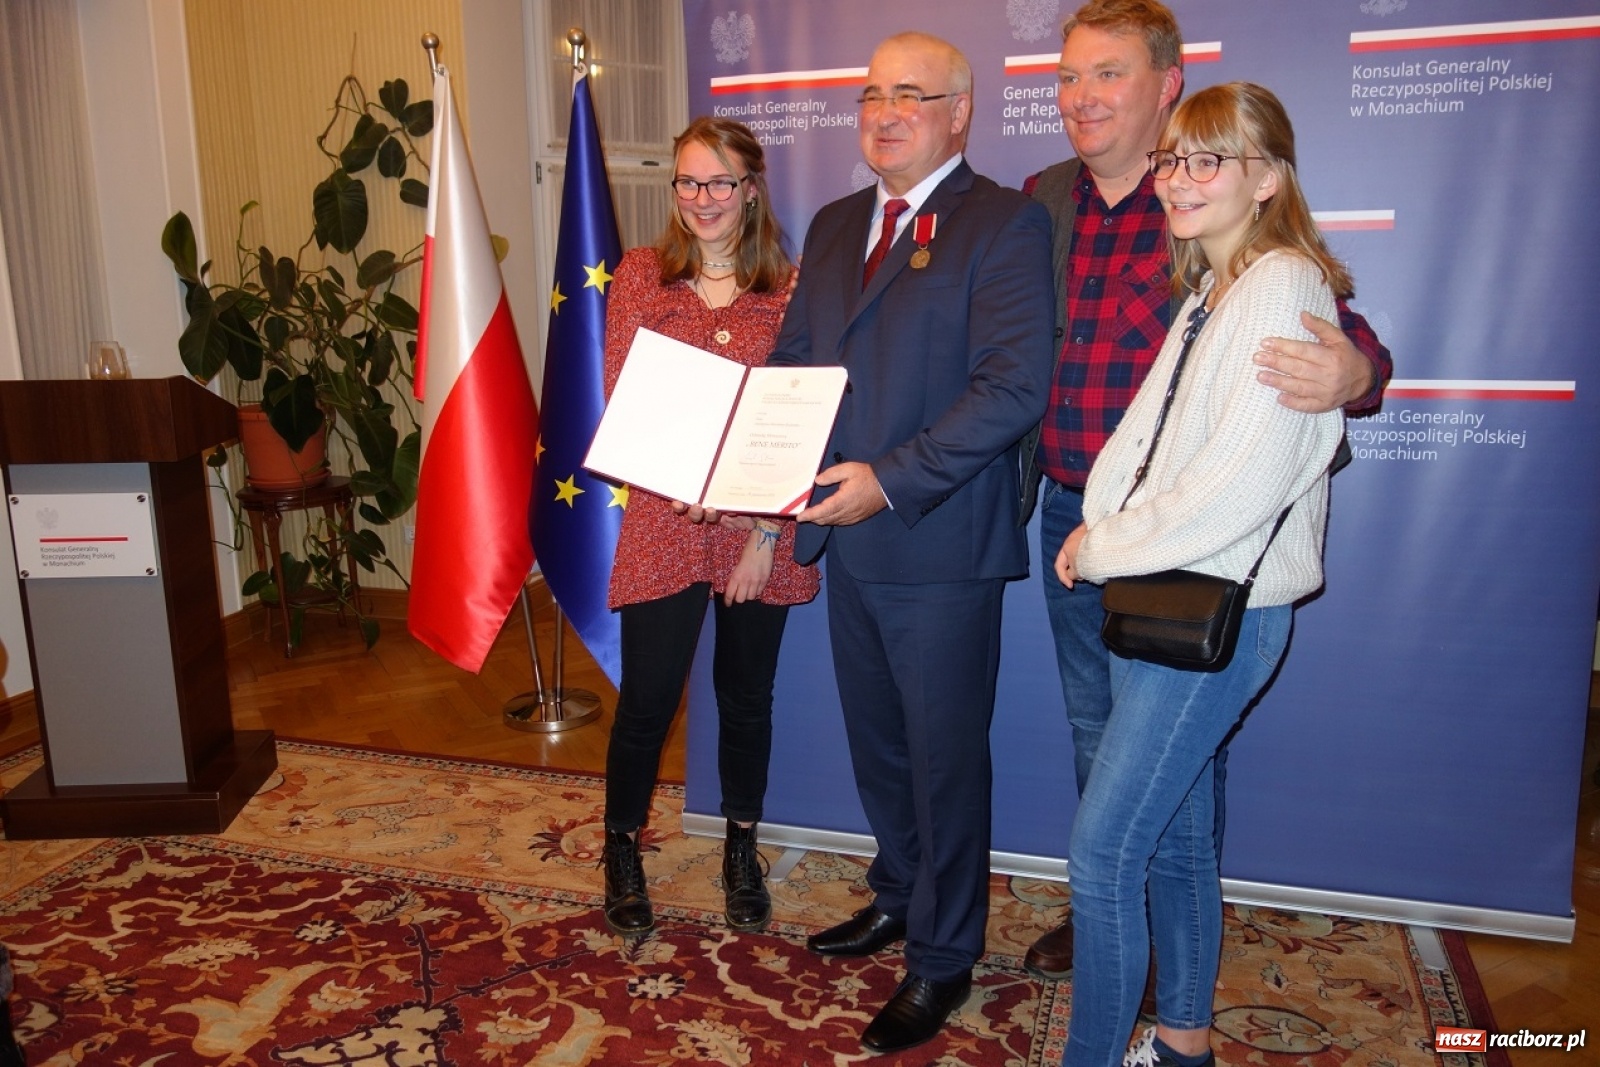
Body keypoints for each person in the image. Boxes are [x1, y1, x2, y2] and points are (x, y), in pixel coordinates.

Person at [1018, 0, 1393, 981]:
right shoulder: (1040, 197)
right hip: (1069, 514)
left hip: (1189, 543)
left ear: (1166, 86)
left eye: (1107, 73)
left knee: (1173, 766)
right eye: (1067, 76)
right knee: (1095, 734)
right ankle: (1114, 926)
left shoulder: (1207, 192)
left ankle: (1136, 933)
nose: (1080, 97)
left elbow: (1335, 326)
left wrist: (1357, 372)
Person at [767, 32, 1055, 1054]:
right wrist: (759, 458)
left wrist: (885, 480)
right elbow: (796, 362)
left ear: (959, 112)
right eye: (871, 95)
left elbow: (1012, 389)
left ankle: (941, 957)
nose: (885, 113)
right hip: (843, 542)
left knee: (941, 762)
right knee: (880, 745)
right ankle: (897, 891)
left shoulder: (1005, 224)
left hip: (936, 541)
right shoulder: (841, 221)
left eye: (911, 95)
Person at [1054, 81, 1350, 1067]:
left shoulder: (1284, 286)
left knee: (1102, 855)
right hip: (1169, 596)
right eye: (1172, 159)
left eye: (1206, 159)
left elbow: (1235, 488)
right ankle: (1182, 1041)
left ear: (1265, 177)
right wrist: (1103, 519)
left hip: (1221, 607)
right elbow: (1146, 444)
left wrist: (1099, 546)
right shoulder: (1212, 287)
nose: (1177, 178)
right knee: (1174, 838)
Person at [598, 117, 819, 939]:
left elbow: (798, 419)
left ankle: (739, 847)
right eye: (688, 183)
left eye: (719, 183)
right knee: (648, 701)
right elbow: (628, 390)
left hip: (756, 532)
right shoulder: (642, 274)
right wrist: (686, 478)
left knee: (746, 698)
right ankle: (621, 847)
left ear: (750, 189)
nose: (702, 200)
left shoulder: (791, 289)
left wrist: (762, 530)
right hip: (664, 515)